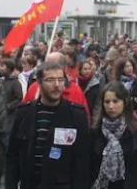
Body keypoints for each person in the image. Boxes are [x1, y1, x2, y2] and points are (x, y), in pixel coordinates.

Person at [6, 61, 90, 189]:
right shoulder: (25, 112)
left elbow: (82, 160)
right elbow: (13, 155)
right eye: (50, 80)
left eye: (60, 80)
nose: (56, 85)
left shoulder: (76, 115)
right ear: (39, 83)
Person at [90, 81, 137, 189]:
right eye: (107, 102)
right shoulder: (95, 132)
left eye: (115, 101)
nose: (111, 106)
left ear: (125, 102)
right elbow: (88, 168)